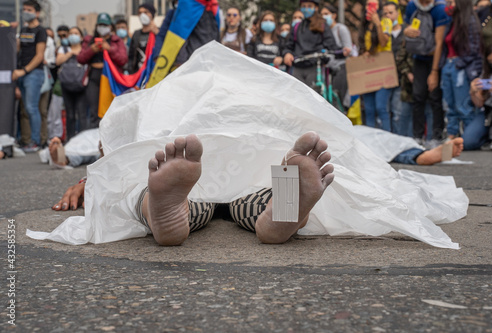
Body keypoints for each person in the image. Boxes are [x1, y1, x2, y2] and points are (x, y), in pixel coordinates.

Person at [35, 42, 467, 251]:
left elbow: (123, 141)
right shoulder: (260, 93)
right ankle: (280, 213)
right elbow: (358, 141)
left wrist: (96, 178)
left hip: (192, 177)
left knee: (150, 189)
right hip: (256, 166)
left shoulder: (169, 95)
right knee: (258, 193)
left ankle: (162, 214)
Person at [404, 0, 450, 147]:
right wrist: (407, 31)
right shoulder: (412, 6)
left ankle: (436, 136)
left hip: (435, 57)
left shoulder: (440, 9)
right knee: (418, 96)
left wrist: (434, 72)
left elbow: (439, 42)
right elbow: (406, 26)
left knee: (435, 96)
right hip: (418, 57)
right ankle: (417, 136)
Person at [440, 0, 483, 140]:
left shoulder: (470, 21)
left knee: (462, 105)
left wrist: (459, 64)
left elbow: (474, 49)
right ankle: (452, 135)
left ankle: (469, 138)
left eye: (451, 2)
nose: (448, 5)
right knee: (449, 104)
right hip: (448, 64)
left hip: (460, 66)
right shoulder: (452, 21)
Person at [77, 13, 127, 129]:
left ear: (110, 27)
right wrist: (91, 50)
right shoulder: (89, 40)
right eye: (100, 24)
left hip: (110, 79)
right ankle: (94, 140)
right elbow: (80, 59)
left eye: (105, 25)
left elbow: (123, 59)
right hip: (94, 77)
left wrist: (109, 49)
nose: (102, 27)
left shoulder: (116, 41)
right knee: (94, 112)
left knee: (111, 111)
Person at [12, 0, 47, 152]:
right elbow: (17, 49)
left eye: (29, 9)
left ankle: (36, 141)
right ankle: (28, 141)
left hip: (33, 73)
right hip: (22, 73)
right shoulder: (24, 29)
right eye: (24, 9)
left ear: (37, 13)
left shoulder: (41, 31)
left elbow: (39, 56)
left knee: (32, 108)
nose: (26, 12)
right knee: (26, 108)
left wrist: (24, 71)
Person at [283, 0, 338, 86]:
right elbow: (289, 46)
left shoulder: (323, 25)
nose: (306, 9)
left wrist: (327, 53)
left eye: (309, 6)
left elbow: (331, 45)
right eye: (304, 6)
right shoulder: (297, 27)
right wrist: (287, 53)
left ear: (316, 8)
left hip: (315, 66)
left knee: (314, 94)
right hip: (298, 66)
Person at [359, 0, 393, 131]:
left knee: (381, 107)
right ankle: (370, 144)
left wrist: (378, 23)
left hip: (384, 69)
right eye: (368, 5)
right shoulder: (365, 25)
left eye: (373, 5)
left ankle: (387, 140)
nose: (370, 8)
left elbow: (384, 42)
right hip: (369, 69)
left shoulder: (386, 22)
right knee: (369, 108)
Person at [56, 26, 88, 140]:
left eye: (76, 33)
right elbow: (58, 61)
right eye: (71, 33)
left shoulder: (85, 50)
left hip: (81, 86)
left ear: (81, 37)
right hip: (66, 85)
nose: (73, 35)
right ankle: (70, 140)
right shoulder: (63, 49)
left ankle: (83, 140)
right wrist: (70, 53)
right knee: (70, 114)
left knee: (82, 114)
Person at [321, 3, 352, 109]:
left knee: (337, 97)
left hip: (341, 67)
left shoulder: (341, 29)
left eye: (326, 14)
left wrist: (340, 52)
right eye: (322, 14)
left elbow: (348, 49)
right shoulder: (322, 31)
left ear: (334, 15)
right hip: (327, 69)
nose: (323, 16)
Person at [469, 42, 492, 150]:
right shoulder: (487, 73)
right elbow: (480, 103)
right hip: (489, 112)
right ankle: (489, 139)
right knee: (468, 142)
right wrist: (473, 92)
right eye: (491, 61)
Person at [384, 2, 407, 134]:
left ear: (398, 13)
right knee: (385, 111)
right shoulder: (383, 34)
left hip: (401, 77)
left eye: (391, 13)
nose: (388, 16)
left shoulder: (406, 31)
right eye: (385, 14)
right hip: (385, 78)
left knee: (398, 111)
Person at [128, 3, 158, 74]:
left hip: (154, 73)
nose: (142, 15)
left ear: (152, 14)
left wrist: (157, 33)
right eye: (140, 13)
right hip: (138, 74)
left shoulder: (160, 32)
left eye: (145, 12)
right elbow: (131, 55)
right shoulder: (136, 34)